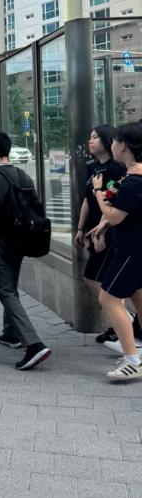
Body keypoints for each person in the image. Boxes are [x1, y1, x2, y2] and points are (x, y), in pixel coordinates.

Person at [0, 131, 51, 371]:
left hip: (2, 241)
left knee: (5, 290)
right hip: (23, 239)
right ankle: (11, 333)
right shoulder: (22, 174)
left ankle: (33, 344)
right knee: (11, 285)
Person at [90, 121, 142, 380]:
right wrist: (103, 226)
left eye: (114, 140)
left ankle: (133, 360)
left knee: (108, 298)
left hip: (132, 251)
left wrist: (99, 192)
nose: (111, 144)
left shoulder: (134, 182)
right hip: (135, 247)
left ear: (123, 146)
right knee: (137, 297)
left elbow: (115, 216)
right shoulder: (133, 175)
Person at [74, 125, 131, 345]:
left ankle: (122, 325)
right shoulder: (93, 168)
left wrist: (101, 232)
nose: (91, 141)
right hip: (95, 232)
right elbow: (88, 199)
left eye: (95, 137)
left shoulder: (117, 169)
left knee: (102, 284)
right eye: (90, 137)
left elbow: (113, 203)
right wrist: (80, 228)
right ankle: (120, 324)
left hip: (111, 233)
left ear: (108, 141)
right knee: (96, 280)